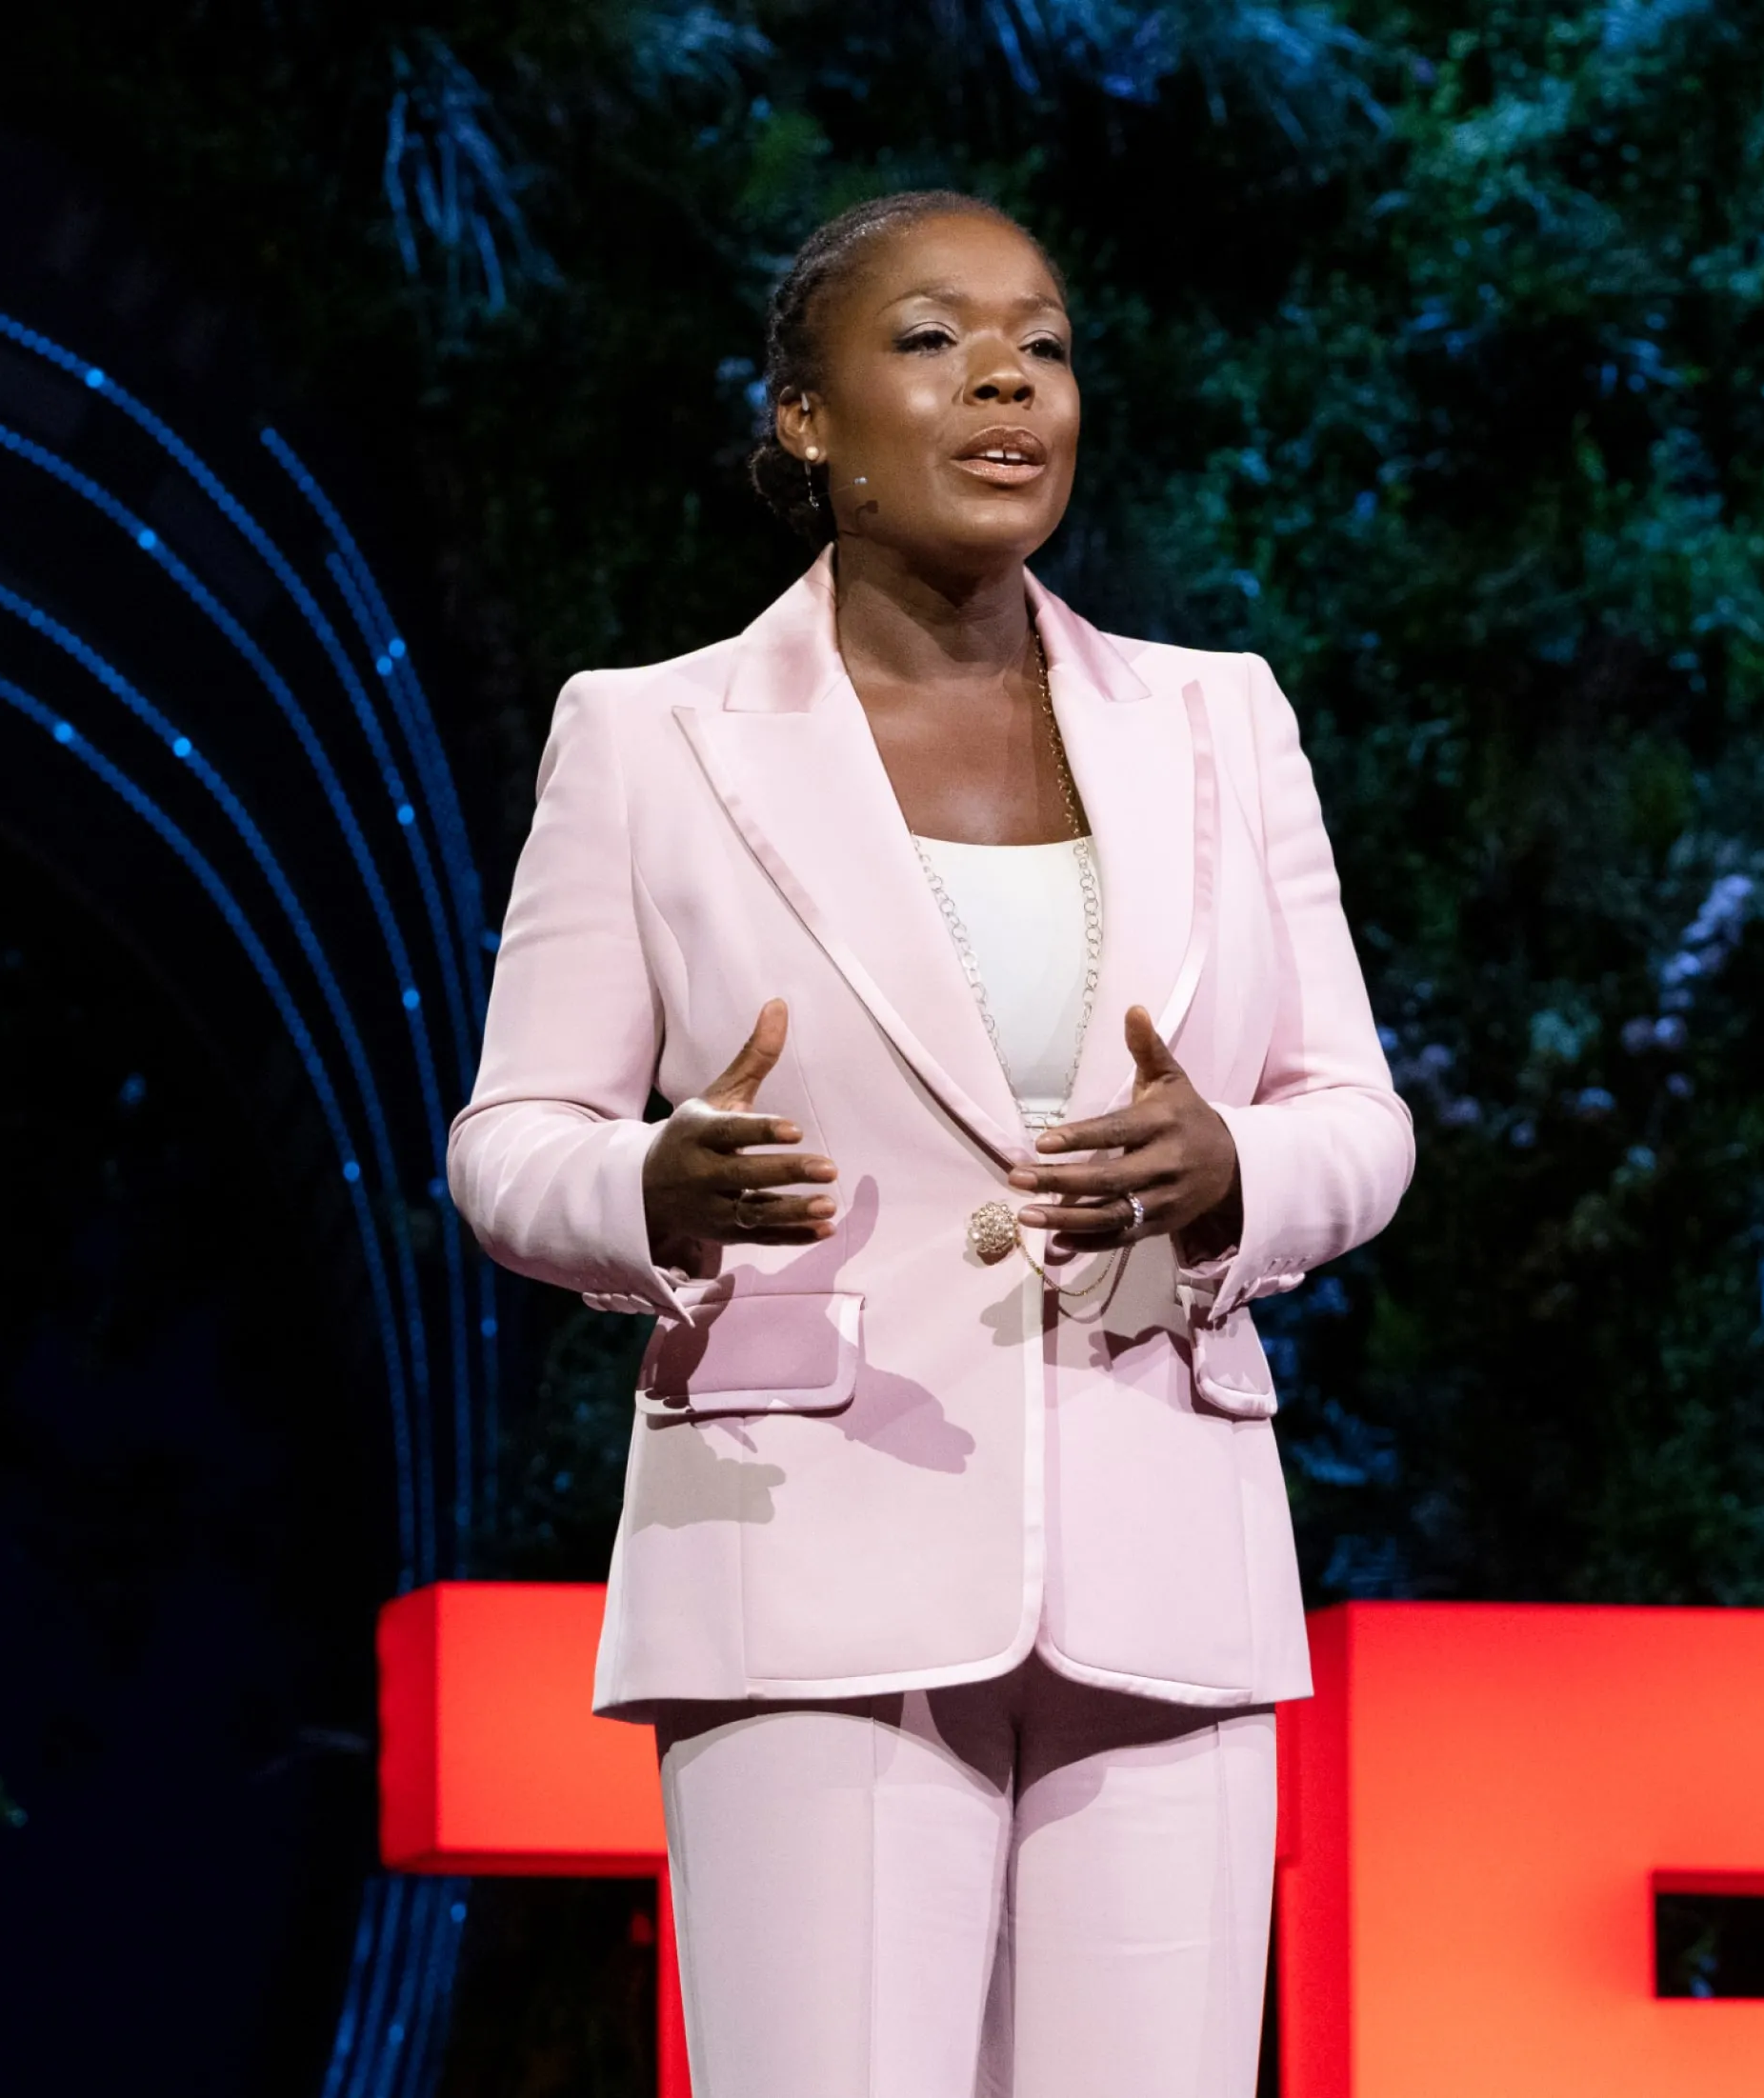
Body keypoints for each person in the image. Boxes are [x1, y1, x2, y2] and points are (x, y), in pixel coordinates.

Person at [446, 190, 1413, 2098]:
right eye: (932, 338)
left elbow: (1356, 1120)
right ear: (803, 419)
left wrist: (1230, 1166)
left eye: (1042, 342)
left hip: (1168, 1567)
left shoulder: (1219, 722)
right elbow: (509, 1142)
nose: (1005, 378)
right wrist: (653, 1186)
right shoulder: (653, 739)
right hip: (812, 1566)